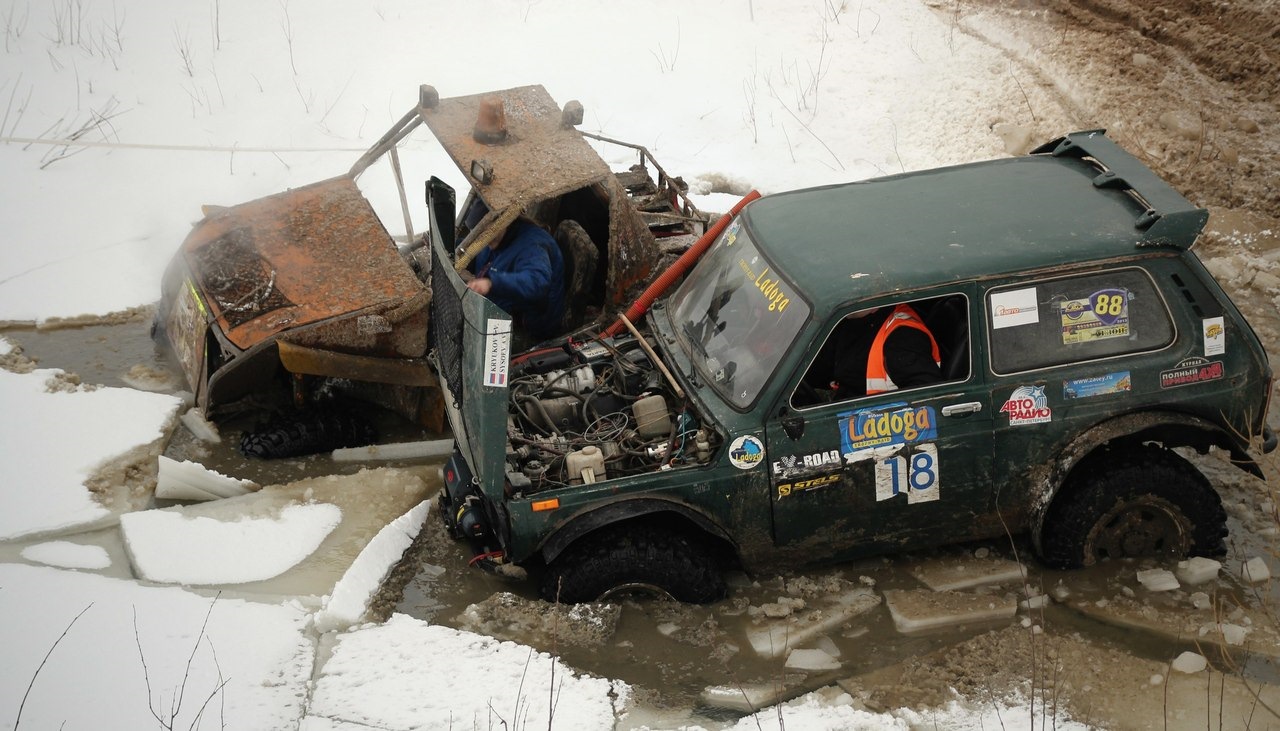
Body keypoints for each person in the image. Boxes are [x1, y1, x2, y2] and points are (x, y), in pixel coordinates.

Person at [467, 216, 565, 342]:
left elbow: (537, 283)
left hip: (527, 329)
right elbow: (471, 251)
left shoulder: (532, 245)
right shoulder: (496, 239)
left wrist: (492, 283)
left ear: (503, 222)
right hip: (496, 311)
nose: (485, 242)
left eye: (487, 235)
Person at [825, 303, 942, 400]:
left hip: (871, 421)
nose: (844, 299)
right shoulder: (851, 321)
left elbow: (926, 398)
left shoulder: (902, 338)